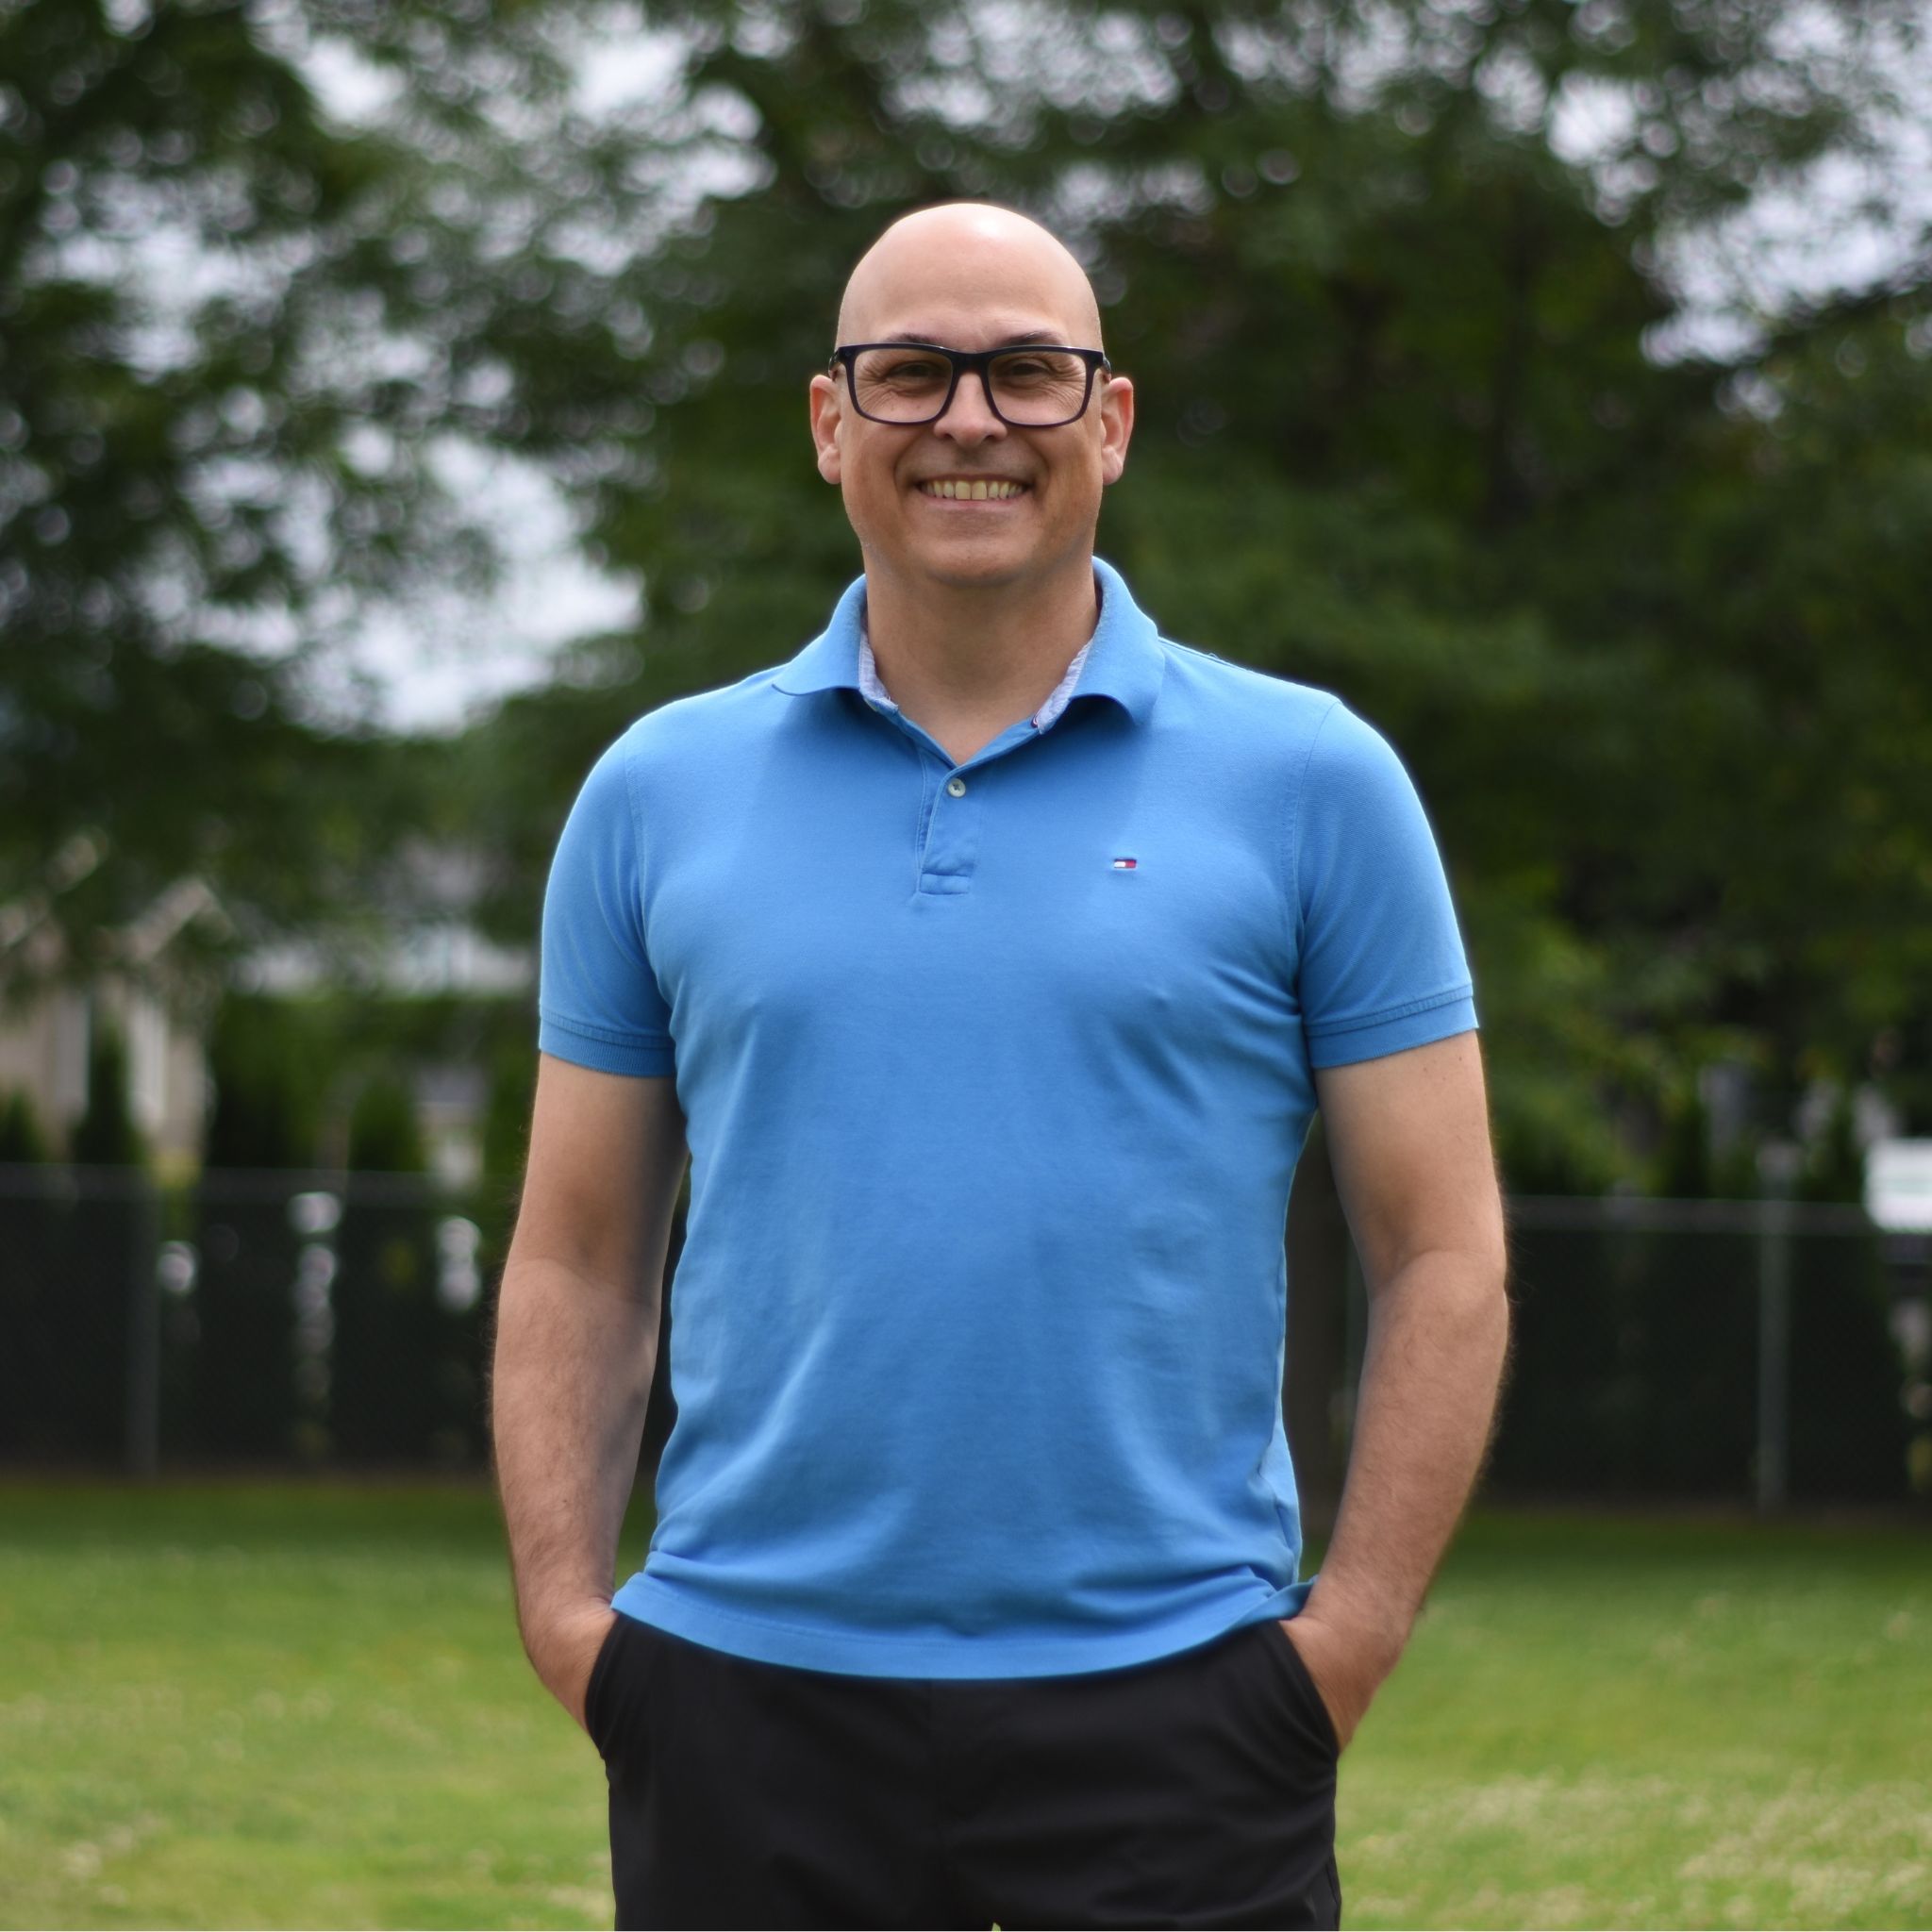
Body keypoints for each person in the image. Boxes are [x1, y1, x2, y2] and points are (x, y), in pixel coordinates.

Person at [491, 200, 1509, 1930]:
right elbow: (577, 1256)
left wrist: (1335, 1652)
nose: (971, 421)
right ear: (832, 426)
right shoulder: (655, 792)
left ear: (1108, 423)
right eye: (913, 374)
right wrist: (577, 1631)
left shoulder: (1314, 781)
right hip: (741, 1701)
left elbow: (1446, 1253)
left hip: (1183, 1709)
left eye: (1029, 373)